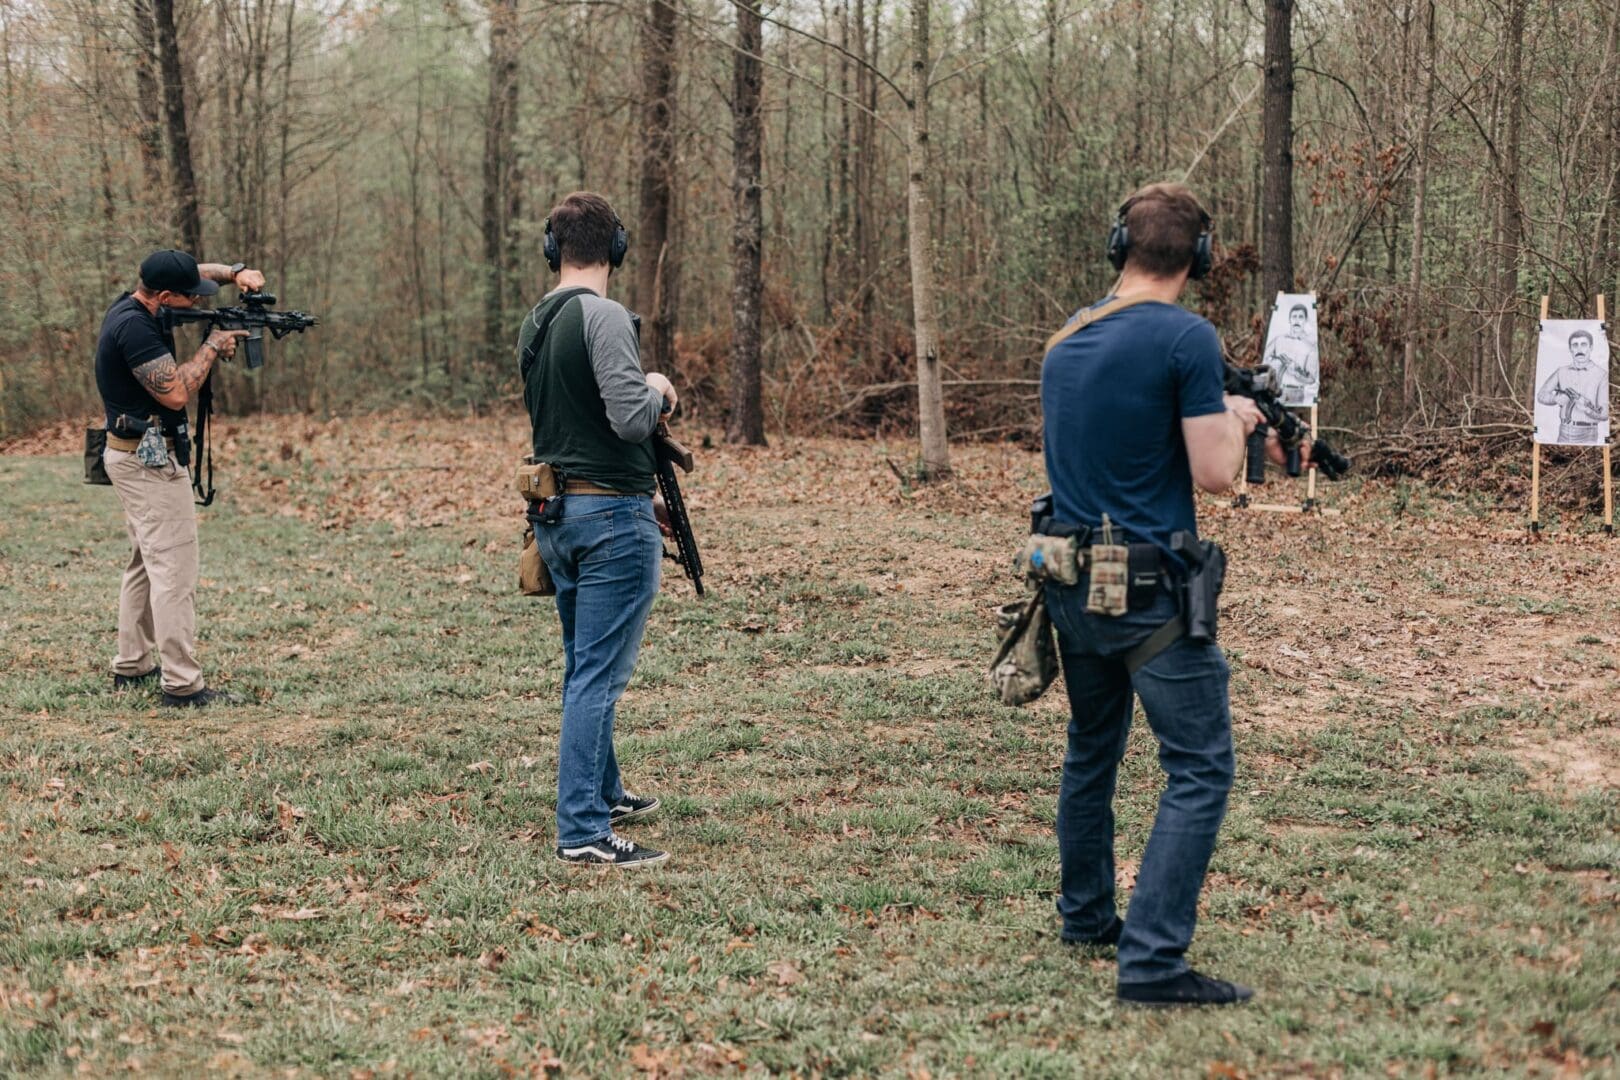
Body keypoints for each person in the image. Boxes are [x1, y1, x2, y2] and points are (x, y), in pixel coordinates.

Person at [1038, 183, 1296, 1008]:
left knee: (1092, 749)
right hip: (1146, 586)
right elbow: (1215, 474)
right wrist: (1240, 421)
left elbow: (1120, 440)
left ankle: (1086, 916)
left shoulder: (1066, 336)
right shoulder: (1186, 339)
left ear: (1121, 245)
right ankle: (1150, 962)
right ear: (1200, 258)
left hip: (1071, 578)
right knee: (1200, 766)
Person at [518, 191, 679, 868]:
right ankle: (583, 828)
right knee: (598, 678)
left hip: (559, 517)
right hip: (610, 518)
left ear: (553, 250)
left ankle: (603, 789)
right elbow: (629, 418)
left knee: (585, 667)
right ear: (616, 248)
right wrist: (660, 388)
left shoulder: (538, 319)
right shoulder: (604, 315)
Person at [95, 249, 264, 708]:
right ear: (165, 296)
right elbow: (172, 394)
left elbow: (196, 275)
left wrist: (234, 273)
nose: (196, 301)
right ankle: (182, 684)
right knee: (174, 571)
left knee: (145, 563)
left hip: (134, 455)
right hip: (148, 463)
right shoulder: (135, 329)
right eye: (190, 298)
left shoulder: (133, 304)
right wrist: (212, 345)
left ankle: (133, 664)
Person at [1536, 329, 1608, 444]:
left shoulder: (1601, 375)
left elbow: (1604, 414)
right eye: (1575, 345)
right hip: (1564, 431)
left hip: (1588, 433)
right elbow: (1541, 395)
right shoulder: (1561, 372)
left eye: (1584, 345)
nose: (1579, 350)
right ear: (1570, 349)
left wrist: (1587, 409)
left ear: (1591, 347)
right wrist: (1556, 399)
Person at [1264, 302, 1318, 406]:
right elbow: (1265, 361)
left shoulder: (1310, 348)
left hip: (1296, 393)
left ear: (1305, 320)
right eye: (1294, 316)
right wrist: (1276, 362)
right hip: (1274, 391)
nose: (1297, 320)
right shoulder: (1278, 340)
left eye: (1301, 317)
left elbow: (1311, 379)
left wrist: (1296, 372)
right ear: (1289, 319)